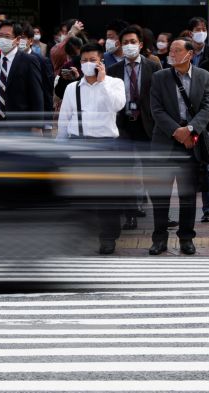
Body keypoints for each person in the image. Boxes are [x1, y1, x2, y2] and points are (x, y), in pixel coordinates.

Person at [57, 42, 126, 254]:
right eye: (84, 60)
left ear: (101, 62)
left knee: (108, 195)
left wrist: (103, 81)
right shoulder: (72, 88)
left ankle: (108, 237)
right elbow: (64, 118)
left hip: (106, 145)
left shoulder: (114, 83)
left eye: (92, 60)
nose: (88, 64)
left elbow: (117, 105)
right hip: (79, 144)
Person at [148, 37, 209, 255]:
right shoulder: (159, 77)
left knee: (187, 195)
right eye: (172, 51)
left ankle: (186, 238)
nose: (172, 54)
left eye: (177, 51)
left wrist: (191, 130)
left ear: (190, 54)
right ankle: (159, 239)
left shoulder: (204, 77)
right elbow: (156, 109)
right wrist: (177, 131)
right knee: (160, 195)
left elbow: (207, 107)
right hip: (165, 141)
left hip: (191, 144)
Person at [107, 25, 161, 231]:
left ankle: (159, 216)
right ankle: (131, 214)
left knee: (151, 173)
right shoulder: (112, 70)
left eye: (133, 42)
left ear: (140, 44)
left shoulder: (153, 67)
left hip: (147, 125)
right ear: (120, 46)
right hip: (123, 126)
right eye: (125, 42)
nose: (129, 46)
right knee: (127, 174)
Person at [0, 20, 44, 132]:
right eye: (0, 36)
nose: (2, 39)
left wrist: (37, 126)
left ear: (17, 39)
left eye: (7, 36)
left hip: (19, 126)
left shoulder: (28, 61)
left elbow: (37, 95)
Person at [188, 17, 209, 223]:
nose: (201, 33)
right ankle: (208, 208)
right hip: (194, 118)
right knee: (206, 165)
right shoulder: (186, 53)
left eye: (204, 29)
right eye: (197, 30)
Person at [20, 23, 54, 131]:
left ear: (30, 40)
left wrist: (47, 123)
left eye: (23, 38)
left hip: (34, 118)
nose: (20, 41)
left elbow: (47, 92)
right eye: (18, 37)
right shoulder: (9, 61)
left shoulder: (42, 61)